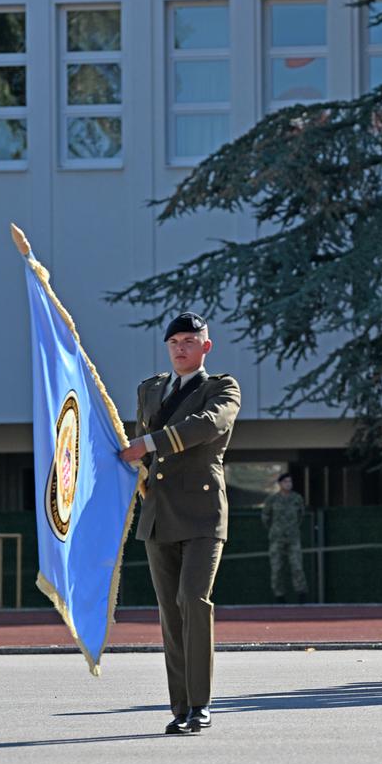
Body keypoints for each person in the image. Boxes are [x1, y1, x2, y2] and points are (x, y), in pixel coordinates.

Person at [119, 312, 241, 735]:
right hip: (157, 514)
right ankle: (180, 707)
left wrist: (147, 444)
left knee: (193, 600)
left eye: (190, 341)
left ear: (206, 346)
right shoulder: (150, 389)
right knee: (170, 613)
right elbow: (140, 450)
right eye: (174, 342)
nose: (181, 348)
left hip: (203, 514)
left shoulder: (221, 387)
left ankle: (200, 704)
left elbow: (208, 426)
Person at [261, 472, 307, 603]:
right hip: (277, 539)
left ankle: (301, 594)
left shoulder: (297, 498)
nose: (288, 484)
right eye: (286, 482)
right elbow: (265, 517)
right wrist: (275, 530)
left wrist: (292, 529)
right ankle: (279, 596)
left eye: (290, 482)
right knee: (277, 569)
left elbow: (301, 516)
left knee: (297, 567)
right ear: (280, 484)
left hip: (293, 538)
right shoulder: (272, 499)